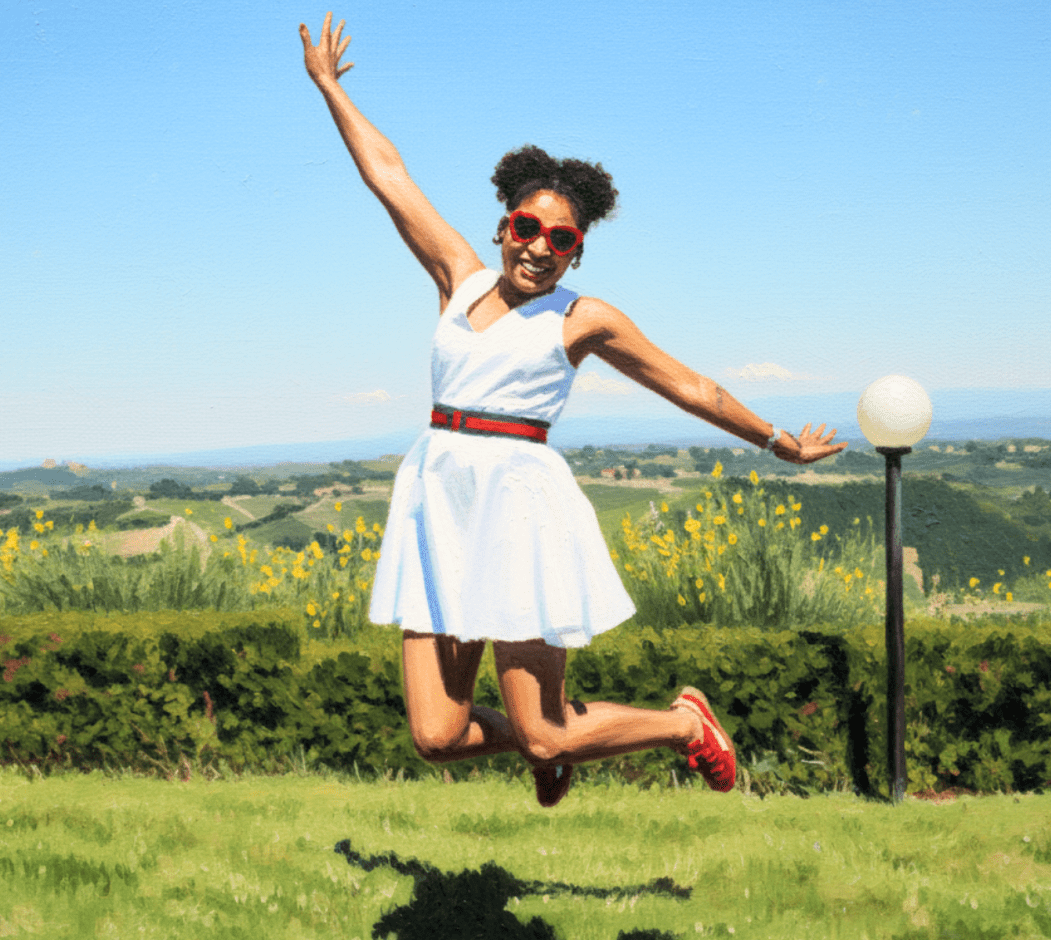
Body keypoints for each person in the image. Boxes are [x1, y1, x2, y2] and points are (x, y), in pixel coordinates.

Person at [301, 13, 846, 807]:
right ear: (503, 227)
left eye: (560, 239)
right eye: (527, 228)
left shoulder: (583, 319)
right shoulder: (458, 278)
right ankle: (547, 749)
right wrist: (329, 88)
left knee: (548, 731)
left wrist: (777, 441)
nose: (538, 247)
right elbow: (389, 175)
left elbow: (690, 386)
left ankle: (683, 726)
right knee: (436, 737)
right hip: (438, 505)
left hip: (518, 511)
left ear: (576, 250)